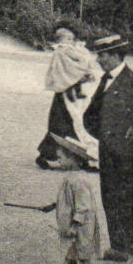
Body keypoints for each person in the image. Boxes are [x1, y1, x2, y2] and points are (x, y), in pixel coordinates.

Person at [81, 33, 133, 264]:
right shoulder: (106, 79)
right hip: (108, 148)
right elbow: (94, 112)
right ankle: (119, 247)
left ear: (116, 56)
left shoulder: (132, 81)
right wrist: (100, 133)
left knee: (128, 198)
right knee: (110, 196)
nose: (99, 60)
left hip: (126, 152)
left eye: (103, 56)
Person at [32, 134, 102, 264]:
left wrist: (75, 226)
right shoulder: (70, 177)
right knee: (71, 253)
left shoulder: (79, 181)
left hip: (81, 226)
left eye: (61, 158)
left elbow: (83, 207)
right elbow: (68, 199)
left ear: (73, 159)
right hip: (70, 224)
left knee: (84, 256)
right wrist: (53, 206)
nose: (58, 161)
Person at [38, 22, 100, 169]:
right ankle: (57, 155)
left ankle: (68, 157)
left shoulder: (67, 51)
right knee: (63, 122)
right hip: (66, 91)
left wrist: (83, 72)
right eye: (68, 39)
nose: (71, 42)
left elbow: (76, 66)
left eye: (72, 39)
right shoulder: (62, 52)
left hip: (69, 90)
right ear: (60, 39)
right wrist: (82, 74)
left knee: (67, 122)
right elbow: (70, 69)